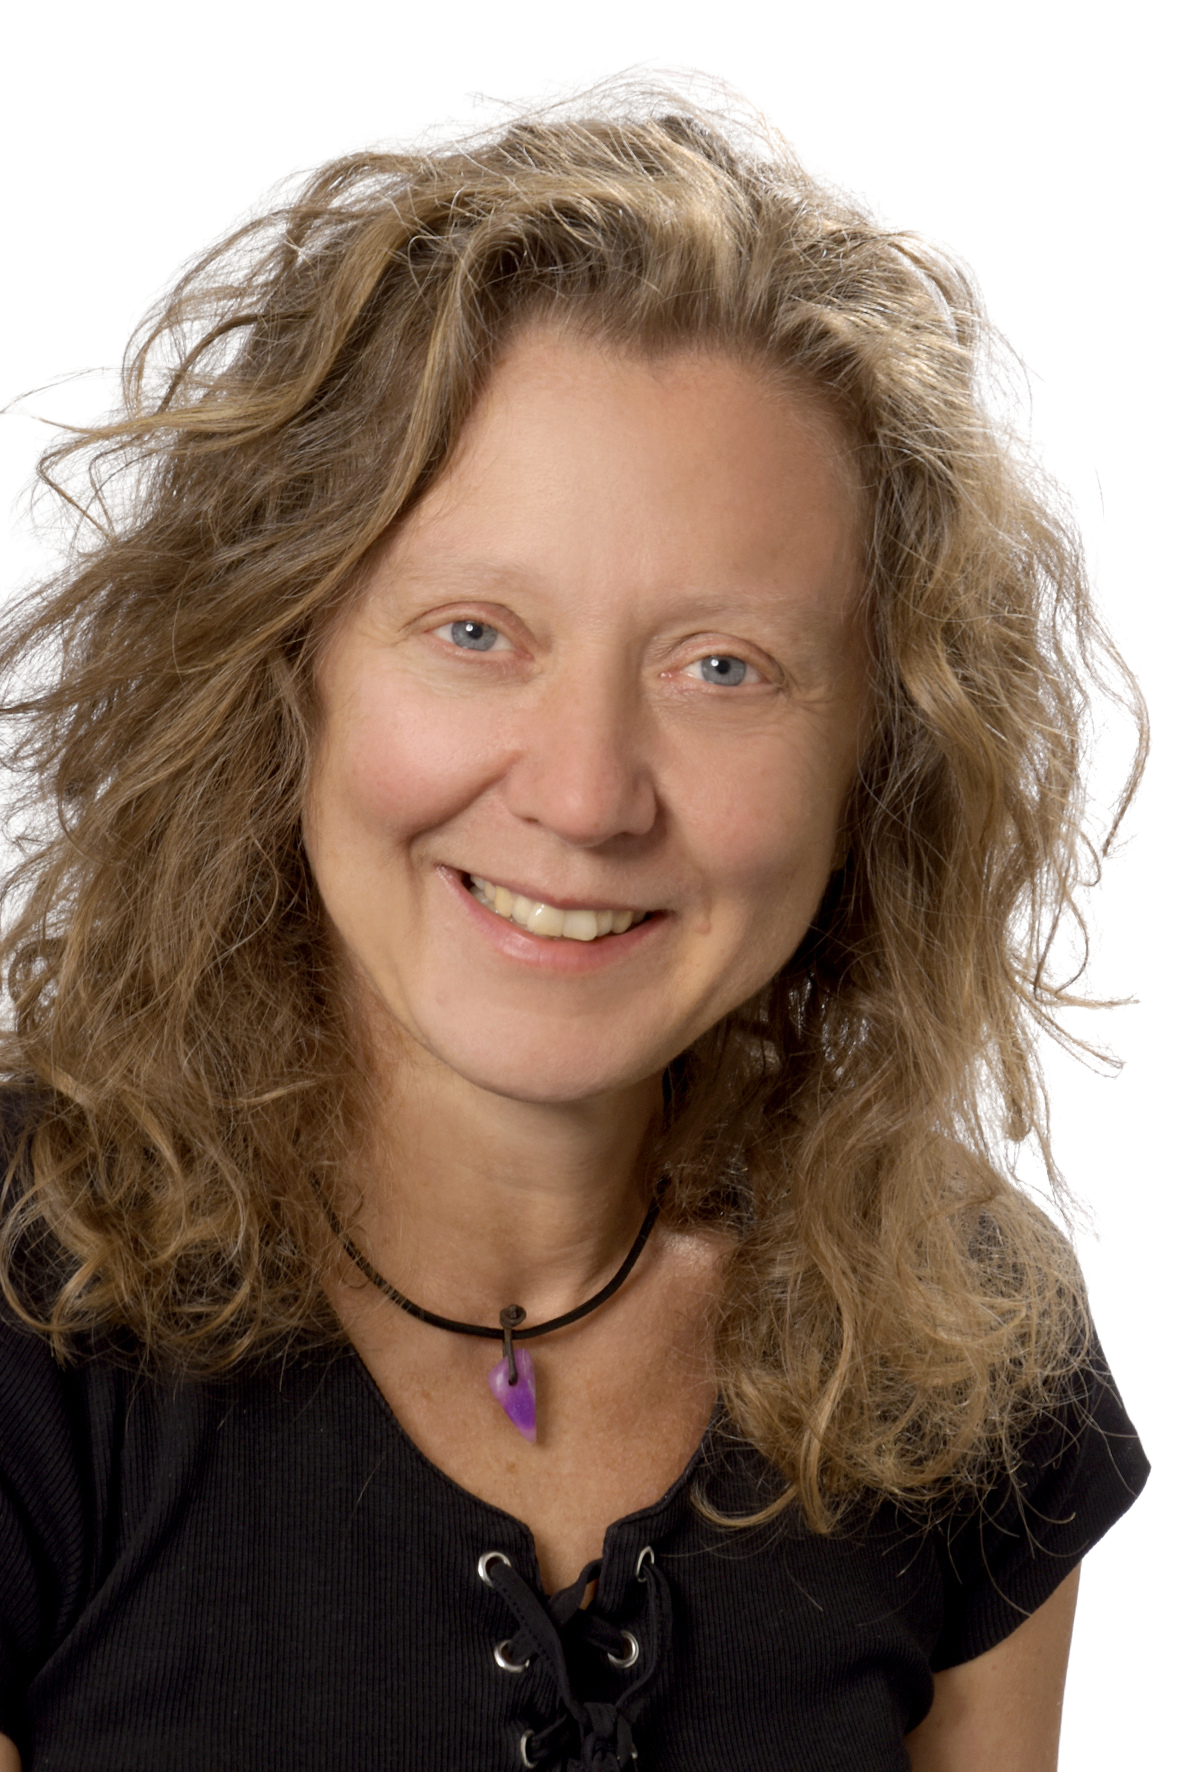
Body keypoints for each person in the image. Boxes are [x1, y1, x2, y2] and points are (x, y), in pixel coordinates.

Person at [0, 64, 1150, 1772]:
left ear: (878, 763)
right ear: (285, 671)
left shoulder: (970, 1355)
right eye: (477, 632)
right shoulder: (25, 1317)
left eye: (722, 666)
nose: (589, 793)